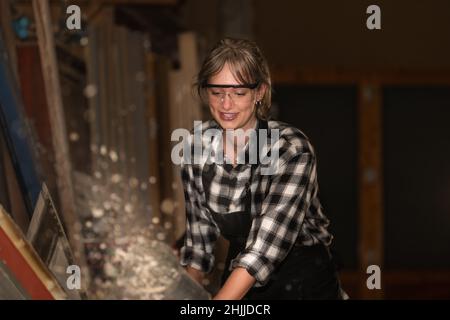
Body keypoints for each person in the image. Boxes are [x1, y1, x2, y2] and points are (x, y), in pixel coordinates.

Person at [179, 37, 344, 300]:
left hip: (304, 284)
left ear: (260, 92)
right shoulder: (195, 147)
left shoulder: (291, 149)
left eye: (239, 93)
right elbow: (199, 244)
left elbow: (263, 250)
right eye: (217, 92)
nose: (226, 104)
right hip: (241, 282)